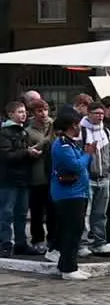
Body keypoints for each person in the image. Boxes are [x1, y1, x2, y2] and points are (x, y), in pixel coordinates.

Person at [49, 113, 92, 281]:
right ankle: (68, 268)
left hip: (78, 192)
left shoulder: (71, 144)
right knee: (71, 231)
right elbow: (76, 166)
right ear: (72, 125)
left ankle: (68, 264)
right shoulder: (62, 145)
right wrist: (87, 154)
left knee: (75, 229)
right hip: (68, 194)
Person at [0, 100, 40, 257]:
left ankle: (21, 243)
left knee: (22, 213)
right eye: (19, 112)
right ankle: (5, 243)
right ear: (11, 114)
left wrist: (32, 154)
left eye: (24, 112)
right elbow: (5, 156)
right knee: (6, 212)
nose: (23, 114)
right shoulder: (4, 133)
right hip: (8, 179)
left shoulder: (24, 132)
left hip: (24, 178)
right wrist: (26, 153)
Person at [79, 100, 110, 255]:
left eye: (102, 113)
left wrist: (109, 171)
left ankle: (99, 241)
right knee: (85, 213)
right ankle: (82, 243)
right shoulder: (82, 131)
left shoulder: (105, 132)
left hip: (104, 178)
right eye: (96, 113)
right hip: (88, 178)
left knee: (100, 213)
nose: (100, 116)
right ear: (89, 114)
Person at [26, 98, 56, 256]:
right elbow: (28, 151)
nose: (43, 113)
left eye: (45, 110)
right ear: (33, 113)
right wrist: (42, 143)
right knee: (37, 211)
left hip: (54, 174)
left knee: (53, 211)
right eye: (39, 110)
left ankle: (52, 239)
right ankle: (37, 240)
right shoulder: (29, 131)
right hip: (37, 175)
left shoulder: (54, 126)